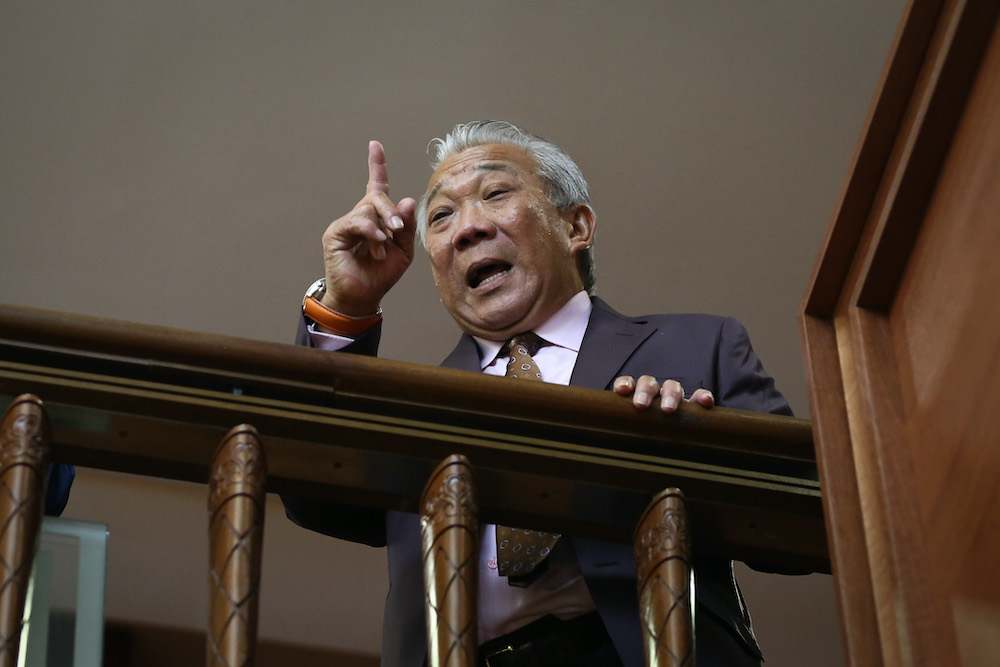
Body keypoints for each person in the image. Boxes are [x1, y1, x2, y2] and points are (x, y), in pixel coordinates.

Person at [283, 120, 791, 667]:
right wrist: (346, 307)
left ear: (576, 226)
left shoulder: (700, 345)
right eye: (440, 216)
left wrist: (696, 439)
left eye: (495, 194)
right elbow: (316, 494)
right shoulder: (415, 410)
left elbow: (801, 526)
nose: (466, 229)